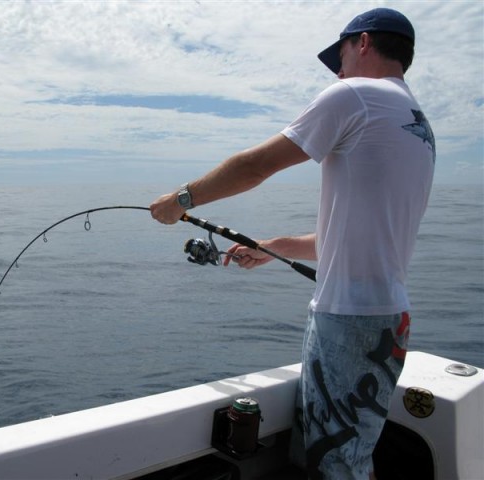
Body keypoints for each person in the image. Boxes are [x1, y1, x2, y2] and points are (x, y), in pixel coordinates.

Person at [150, 7, 435, 480]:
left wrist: (181, 200)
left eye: (339, 55)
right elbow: (348, 241)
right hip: (385, 319)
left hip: (349, 320)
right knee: (336, 456)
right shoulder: (416, 124)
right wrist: (271, 246)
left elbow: (254, 166)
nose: (337, 70)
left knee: (339, 465)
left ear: (363, 42)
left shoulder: (356, 95)